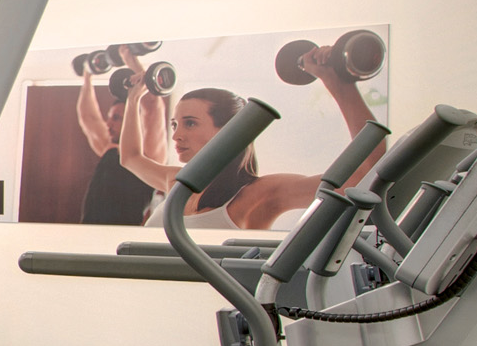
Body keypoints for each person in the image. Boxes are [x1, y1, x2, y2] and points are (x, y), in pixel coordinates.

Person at [121, 42, 380, 228]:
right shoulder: (177, 182)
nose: (176, 136)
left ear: (229, 131)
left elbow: (363, 178)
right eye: (175, 125)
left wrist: (340, 85)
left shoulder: (260, 193)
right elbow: (130, 158)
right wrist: (133, 100)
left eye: (190, 124)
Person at [73, 65, 157, 225]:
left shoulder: (149, 154)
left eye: (116, 118)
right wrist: (87, 74)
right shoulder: (109, 148)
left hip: (123, 236)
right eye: (110, 117)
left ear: (133, 119)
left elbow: (153, 106)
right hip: (89, 233)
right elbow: (88, 117)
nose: (108, 124)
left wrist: (136, 67)